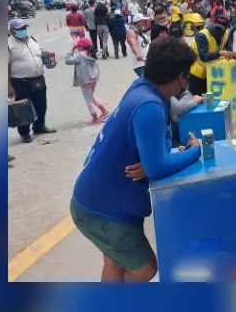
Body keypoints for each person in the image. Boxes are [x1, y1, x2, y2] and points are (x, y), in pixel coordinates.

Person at [70, 38, 202, 283]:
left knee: (115, 260)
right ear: (177, 77)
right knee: (145, 269)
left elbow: (155, 153)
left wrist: (152, 158)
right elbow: (158, 168)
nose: (187, 83)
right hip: (103, 210)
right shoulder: (149, 106)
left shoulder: (144, 88)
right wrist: (194, 151)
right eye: (187, 76)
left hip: (96, 200)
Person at [7, 19, 55, 143]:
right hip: (20, 81)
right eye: (19, 29)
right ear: (12, 31)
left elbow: (40, 54)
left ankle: (39, 126)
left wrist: (48, 61)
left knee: (41, 105)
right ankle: (24, 132)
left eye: (24, 27)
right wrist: (8, 86)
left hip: (38, 78)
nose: (23, 30)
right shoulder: (8, 44)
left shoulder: (32, 39)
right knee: (24, 108)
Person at [187, 13, 236, 96]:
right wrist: (220, 53)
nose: (217, 31)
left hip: (213, 74)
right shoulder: (202, 36)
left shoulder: (226, 34)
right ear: (212, 24)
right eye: (216, 27)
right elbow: (204, 57)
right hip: (198, 75)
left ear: (226, 29)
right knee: (196, 100)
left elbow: (229, 50)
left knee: (212, 100)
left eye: (221, 29)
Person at [66, 38, 110, 124]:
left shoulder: (79, 56)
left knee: (88, 100)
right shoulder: (91, 54)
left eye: (78, 46)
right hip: (93, 79)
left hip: (85, 81)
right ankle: (104, 111)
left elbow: (67, 61)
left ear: (81, 47)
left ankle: (95, 119)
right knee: (91, 97)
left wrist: (71, 50)